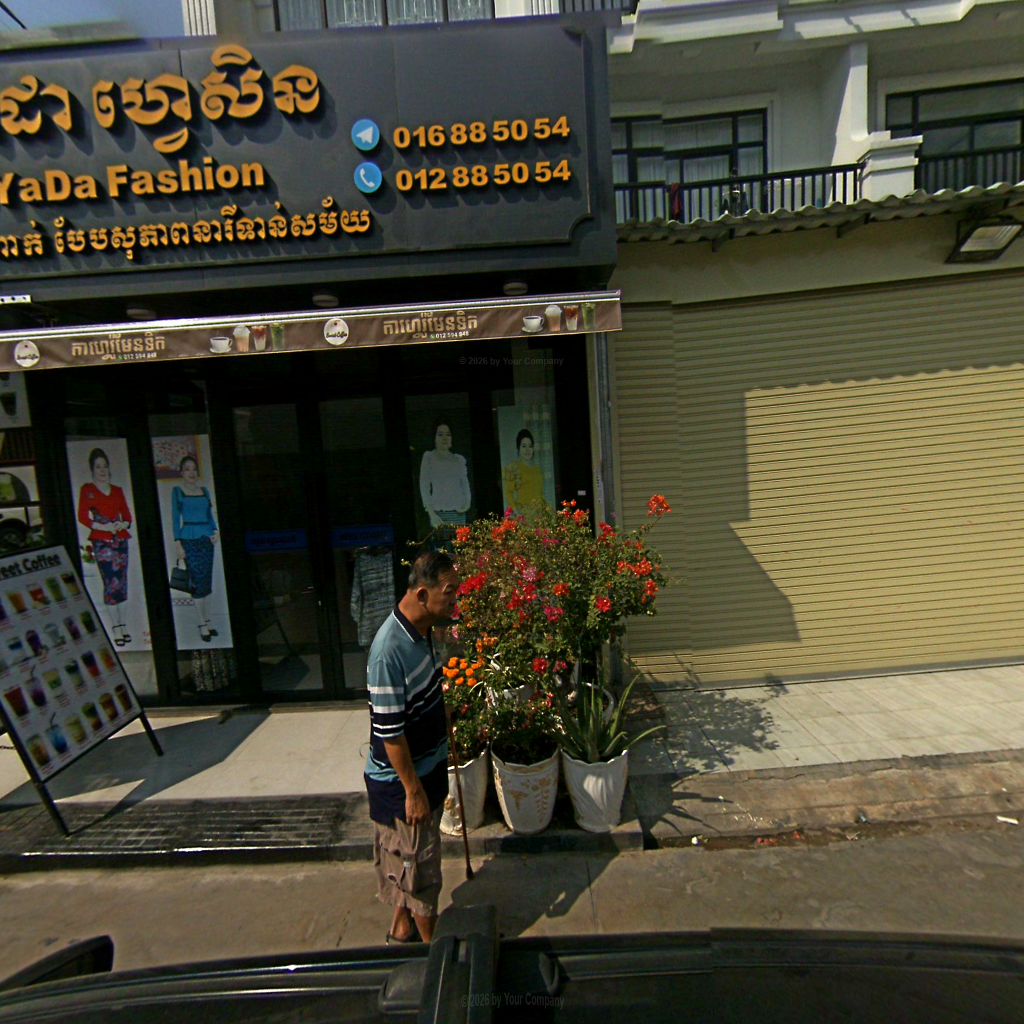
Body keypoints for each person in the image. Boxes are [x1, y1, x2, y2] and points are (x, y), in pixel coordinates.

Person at [364, 551, 459, 945]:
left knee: (408, 860)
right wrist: (413, 791)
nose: (455, 601)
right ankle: (435, 952)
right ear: (422, 594)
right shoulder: (388, 652)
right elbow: (390, 733)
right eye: (449, 593)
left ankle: (401, 929)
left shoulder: (421, 630)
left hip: (427, 768)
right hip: (404, 782)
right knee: (420, 870)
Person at [76, 448, 133, 646]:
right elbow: (83, 516)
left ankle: (123, 624)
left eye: (105, 466)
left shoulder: (117, 490)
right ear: (92, 469)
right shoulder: (87, 490)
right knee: (110, 583)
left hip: (120, 540)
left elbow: (127, 515)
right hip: (102, 542)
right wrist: (102, 527)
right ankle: (116, 627)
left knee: (122, 582)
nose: (102, 470)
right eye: (98, 466)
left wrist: (122, 524)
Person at [171, 455, 220, 645]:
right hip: (189, 539)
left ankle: (207, 620)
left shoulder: (205, 491)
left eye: (193, 469)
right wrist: (178, 544)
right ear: (181, 472)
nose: (191, 472)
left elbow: (209, 514)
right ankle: (201, 623)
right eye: (187, 469)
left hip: (206, 539)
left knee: (206, 581)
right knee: (197, 582)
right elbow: (175, 518)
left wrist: (215, 531)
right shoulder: (177, 491)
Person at [418, 421, 471, 529]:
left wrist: (467, 504)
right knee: (442, 540)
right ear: (434, 437)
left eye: (448, 434)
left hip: (459, 513)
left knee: (460, 540)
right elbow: (424, 487)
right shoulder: (429, 457)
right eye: (440, 434)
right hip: (439, 514)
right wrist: (432, 514)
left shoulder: (459, 459)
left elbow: (465, 484)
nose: (444, 438)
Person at [502, 428, 545, 513]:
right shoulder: (513, 468)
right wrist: (517, 513)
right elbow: (508, 493)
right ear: (518, 448)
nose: (527, 450)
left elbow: (541, 494)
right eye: (524, 446)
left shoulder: (538, 470)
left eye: (530, 446)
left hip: (540, 514)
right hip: (524, 515)